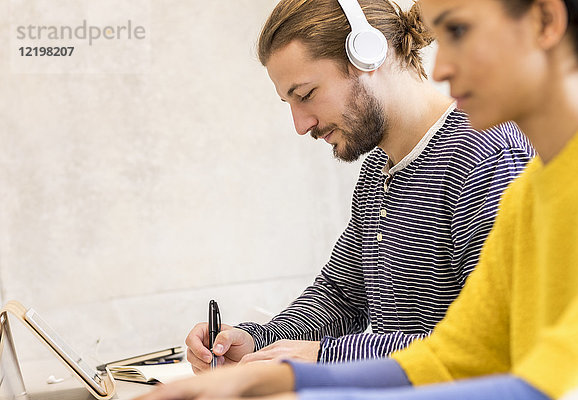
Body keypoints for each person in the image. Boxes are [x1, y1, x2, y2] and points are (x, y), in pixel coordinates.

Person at [134, 0, 578, 399]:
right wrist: (265, 364)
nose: (440, 67)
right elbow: (454, 353)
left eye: (458, 31)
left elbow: (538, 382)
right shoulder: (529, 191)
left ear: (545, 20)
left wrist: (306, 374)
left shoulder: (499, 162)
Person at [185, 0, 534, 372]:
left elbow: (499, 338)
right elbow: (341, 297)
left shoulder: (486, 157)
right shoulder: (376, 173)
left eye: (305, 95)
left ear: (369, 56)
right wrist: (257, 341)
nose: (301, 125)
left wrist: (326, 356)